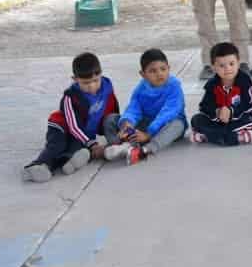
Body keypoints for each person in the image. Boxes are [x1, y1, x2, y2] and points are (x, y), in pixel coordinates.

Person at [22, 52, 121, 182]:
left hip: (82, 131)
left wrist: (116, 129)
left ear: (101, 74)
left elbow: (111, 107)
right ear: (75, 79)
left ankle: (66, 163)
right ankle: (36, 166)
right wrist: (92, 144)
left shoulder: (106, 86)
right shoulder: (70, 97)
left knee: (76, 148)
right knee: (57, 146)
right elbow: (73, 127)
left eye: (96, 80)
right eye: (86, 83)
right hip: (62, 127)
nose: (91, 86)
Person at [108, 49, 188, 165]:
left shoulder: (174, 86)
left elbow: (169, 112)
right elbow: (134, 108)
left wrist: (149, 134)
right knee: (112, 119)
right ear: (143, 74)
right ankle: (121, 145)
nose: (159, 74)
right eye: (153, 71)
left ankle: (145, 150)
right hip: (146, 123)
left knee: (178, 125)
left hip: (165, 125)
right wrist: (127, 124)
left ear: (169, 68)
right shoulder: (140, 89)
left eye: (163, 69)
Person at [190, 41, 252, 146]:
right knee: (196, 119)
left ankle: (209, 136)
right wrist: (217, 112)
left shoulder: (244, 80)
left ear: (238, 62)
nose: (227, 69)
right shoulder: (212, 84)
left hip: (238, 119)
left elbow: (250, 105)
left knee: (250, 120)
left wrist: (231, 112)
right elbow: (204, 106)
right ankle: (235, 137)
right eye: (222, 65)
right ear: (213, 67)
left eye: (231, 64)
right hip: (218, 120)